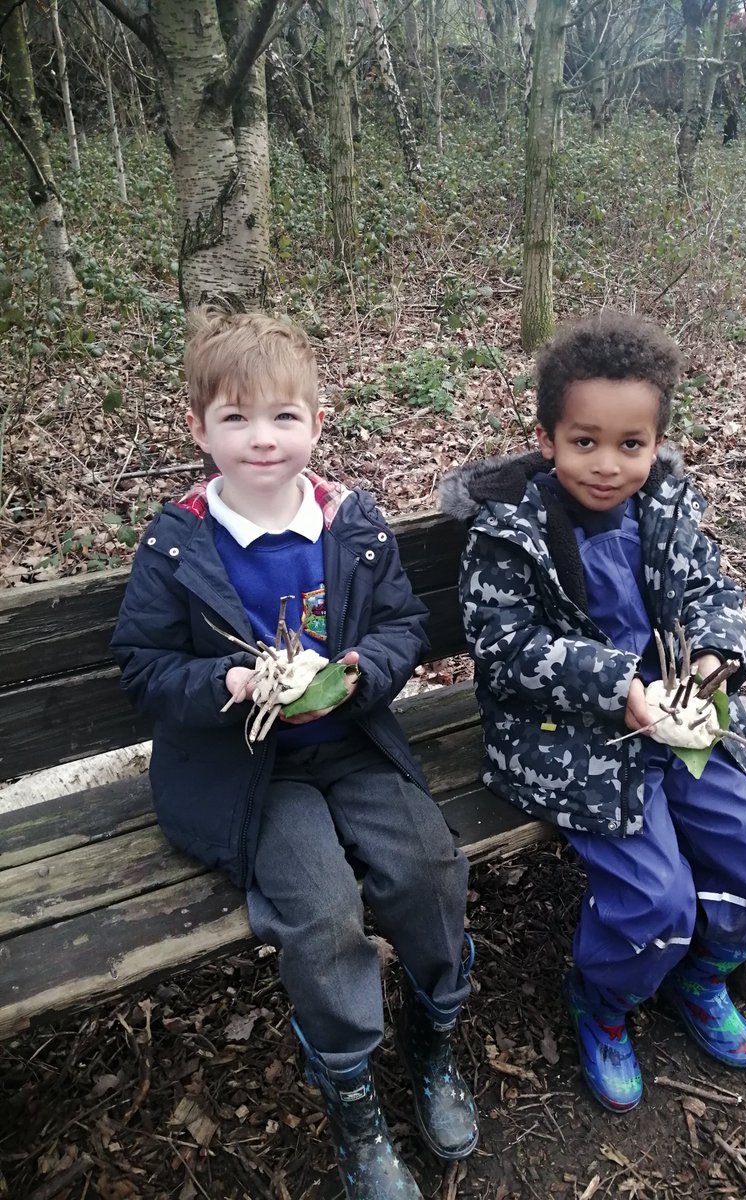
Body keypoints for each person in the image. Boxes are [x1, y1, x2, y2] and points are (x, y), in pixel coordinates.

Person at [111, 309, 477, 1199]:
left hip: (348, 739)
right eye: (235, 418)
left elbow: (400, 625)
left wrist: (363, 672)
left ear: (317, 423)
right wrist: (225, 685)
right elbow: (144, 668)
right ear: (199, 430)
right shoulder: (178, 544)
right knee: (321, 908)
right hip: (248, 771)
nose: (261, 438)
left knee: (427, 869)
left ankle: (435, 1038)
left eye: (282, 417)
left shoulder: (349, 524)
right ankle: (353, 1094)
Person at [439, 310, 746, 1113]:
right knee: (654, 901)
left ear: (656, 443)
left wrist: (711, 658)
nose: (608, 465)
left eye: (630, 445)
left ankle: (700, 978)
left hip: (676, 717)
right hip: (569, 738)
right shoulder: (509, 532)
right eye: (585, 442)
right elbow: (505, 651)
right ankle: (603, 1005)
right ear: (547, 438)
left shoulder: (666, 505)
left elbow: (711, 593)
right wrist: (616, 687)